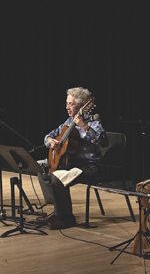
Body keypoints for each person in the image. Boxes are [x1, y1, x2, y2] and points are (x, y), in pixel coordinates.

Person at [39, 87, 106, 230]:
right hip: (70, 164)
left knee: (57, 178)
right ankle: (58, 211)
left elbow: (103, 142)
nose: (67, 107)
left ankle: (67, 218)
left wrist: (84, 126)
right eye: (66, 103)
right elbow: (48, 135)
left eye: (71, 104)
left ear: (82, 106)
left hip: (89, 167)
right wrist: (50, 141)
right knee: (41, 169)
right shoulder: (68, 122)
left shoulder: (94, 121)